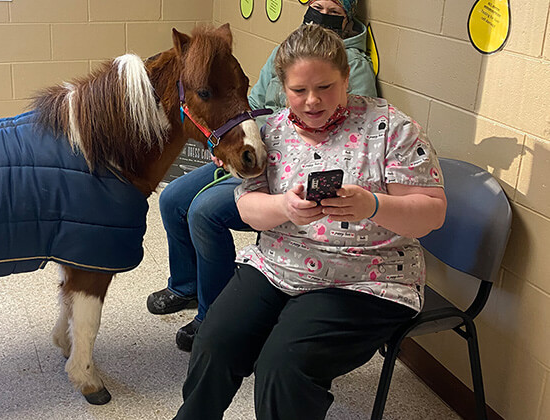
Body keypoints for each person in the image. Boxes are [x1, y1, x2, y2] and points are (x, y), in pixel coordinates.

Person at [173, 23, 447, 420]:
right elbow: (249, 207)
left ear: (346, 79)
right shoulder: (273, 132)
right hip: (280, 265)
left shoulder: (392, 129)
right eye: (299, 91)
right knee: (215, 341)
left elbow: (432, 213)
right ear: (282, 87)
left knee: (283, 367)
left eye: (326, 87)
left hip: (365, 277)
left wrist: (373, 205)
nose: (312, 101)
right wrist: (285, 207)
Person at [147, 0, 377, 352]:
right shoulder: (284, 53)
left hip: (292, 173)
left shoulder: (354, 65)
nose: (320, 14)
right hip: (255, 150)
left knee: (203, 212)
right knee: (173, 198)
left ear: (349, 17)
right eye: (315, 4)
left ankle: (214, 315)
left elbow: (350, 134)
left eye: (332, 8)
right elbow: (249, 101)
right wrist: (231, 140)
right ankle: (186, 284)